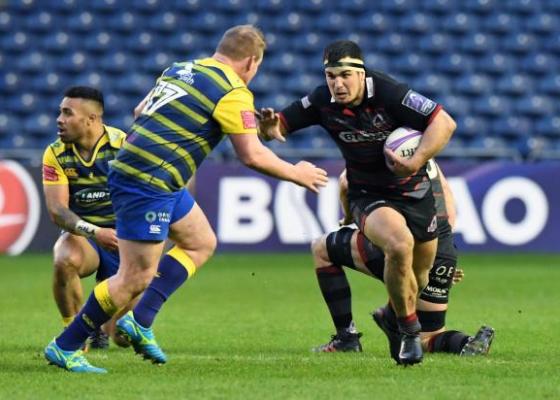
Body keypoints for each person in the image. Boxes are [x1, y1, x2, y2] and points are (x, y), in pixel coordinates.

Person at [44, 25, 328, 373]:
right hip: (149, 180)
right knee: (135, 276)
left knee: (200, 242)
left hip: (153, 174)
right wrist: (297, 172)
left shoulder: (179, 69)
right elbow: (251, 155)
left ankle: (140, 320)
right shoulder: (233, 90)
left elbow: (139, 112)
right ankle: (66, 345)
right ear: (251, 62)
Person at [258, 40, 456, 365]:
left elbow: (444, 122)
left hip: (415, 193)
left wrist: (416, 159)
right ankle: (409, 332)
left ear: (361, 73)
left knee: (420, 276)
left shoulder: (391, 93)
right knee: (398, 244)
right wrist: (268, 130)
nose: (337, 83)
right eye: (331, 76)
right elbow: (277, 125)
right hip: (368, 194)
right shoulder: (321, 101)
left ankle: (392, 317)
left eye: (345, 75)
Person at [310, 163, 495, 363]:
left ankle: (346, 338)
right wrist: (439, 250)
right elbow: (446, 195)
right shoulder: (425, 155)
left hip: (401, 247)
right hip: (442, 253)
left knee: (321, 249)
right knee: (427, 337)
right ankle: (466, 342)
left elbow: (345, 183)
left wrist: (347, 216)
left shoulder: (377, 151)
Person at [42, 86, 127, 349]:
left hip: (124, 238)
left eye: (67, 113)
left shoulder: (124, 146)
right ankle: (74, 332)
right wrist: (95, 232)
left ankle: (103, 325)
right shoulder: (56, 153)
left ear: (91, 119)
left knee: (122, 337)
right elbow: (57, 210)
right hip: (86, 236)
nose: (59, 119)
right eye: (60, 112)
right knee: (64, 259)